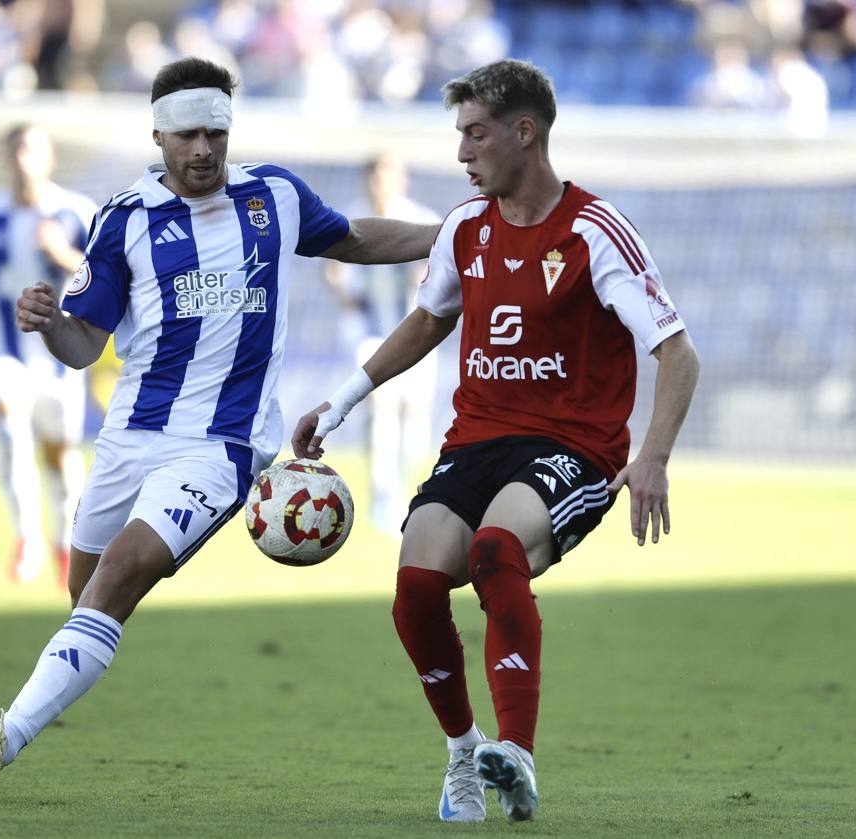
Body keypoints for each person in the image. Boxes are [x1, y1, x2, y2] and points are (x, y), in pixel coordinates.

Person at [0, 56, 440, 799]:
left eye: (214, 132)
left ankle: (0, 738)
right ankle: (47, 693)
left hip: (222, 446)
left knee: (116, 575)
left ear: (229, 130)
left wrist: (455, 231)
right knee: (86, 592)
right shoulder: (123, 218)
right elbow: (86, 345)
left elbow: (356, 238)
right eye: (186, 135)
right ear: (158, 135)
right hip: (128, 436)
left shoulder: (274, 196)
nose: (202, 149)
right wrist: (51, 326)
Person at [292, 59, 701, 823]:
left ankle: (515, 752)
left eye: (474, 134)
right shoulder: (464, 229)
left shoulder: (592, 231)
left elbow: (676, 351)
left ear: (525, 132)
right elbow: (427, 320)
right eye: (458, 135)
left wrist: (652, 455)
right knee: (414, 588)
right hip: (473, 441)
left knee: (492, 552)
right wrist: (342, 401)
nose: (461, 153)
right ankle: (462, 755)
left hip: (572, 446)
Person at [0, 124, 98, 584]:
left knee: (59, 455)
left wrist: (60, 252)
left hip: (59, 355)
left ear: (49, 159)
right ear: (7, 159)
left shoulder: (76, 213)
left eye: (32, 150)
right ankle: (26, 537)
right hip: (2, 352)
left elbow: (104, 273)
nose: (23, 159)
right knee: (8, 426)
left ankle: (62, 543)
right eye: (16, 151)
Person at [321, 152, 440, 530]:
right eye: (376, 178)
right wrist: (340, 289)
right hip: (368, 331)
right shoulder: (352, 220)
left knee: (414, 413)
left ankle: (405, 492)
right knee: (381, 405)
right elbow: (332, 267)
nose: (382, 185)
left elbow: (443, 276)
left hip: (415, 331)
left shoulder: (422, 221)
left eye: (389, 177)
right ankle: (383, 496)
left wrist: (423, 278)